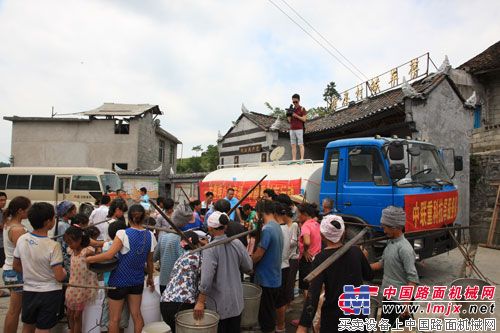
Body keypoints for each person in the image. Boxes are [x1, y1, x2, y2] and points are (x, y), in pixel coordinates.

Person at [296, 215, 374, 332]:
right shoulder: (356, 251)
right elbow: (369, 275)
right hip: (358, 314)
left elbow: (313, 295)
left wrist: (303, 326)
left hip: (334, 318)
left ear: (322, 236)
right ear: (343, 233)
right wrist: (363, 258)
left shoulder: (320, 258)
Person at [86, 204, 157, 333]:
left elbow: (109, 254)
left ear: (128, 218)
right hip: (137, 281)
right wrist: (150, 278)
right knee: (136, 315)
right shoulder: (150, 236)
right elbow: (150, 261)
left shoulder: (122, 233)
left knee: (114, 319)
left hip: (119, 281)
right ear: (143, 219)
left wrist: (89, 259)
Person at [194, 211, 253, 333]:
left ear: (210, 228)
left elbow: (206, 280)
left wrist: (200, 301)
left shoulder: (210, 249)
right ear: (225, 226)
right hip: (236, 302)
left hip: (218, 305)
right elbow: (248, 266)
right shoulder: (237, 243)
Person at [13, 202, 67, 333]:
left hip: (28, 290)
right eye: (53, 218)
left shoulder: (22, 239)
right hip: (49, 293)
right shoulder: (53, 246)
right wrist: (64, 272)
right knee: (43, 328)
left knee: (27, 326)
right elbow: (59, 276)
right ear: (48, 222)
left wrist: (31, 273)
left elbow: (16, 265)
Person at [370, 206, 419, 328]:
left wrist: (406, 303)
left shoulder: (405, 249)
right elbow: (383, 263)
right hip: (389, 295)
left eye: (385, 227)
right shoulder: (390, 242)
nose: (383, 230)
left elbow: (413, 279)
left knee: (398, 330)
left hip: (400, 300)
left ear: (395, 227)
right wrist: (364, 266)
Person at [160, 231, 204, 333]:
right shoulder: (198, 258)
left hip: (165, 302)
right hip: (182, 304)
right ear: (197, 243)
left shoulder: (180, 258)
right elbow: (203, 283)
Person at [252, 200, 283, 333]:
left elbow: (259, 254)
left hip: (266, 278)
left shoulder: (268, 229)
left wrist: (247, 262)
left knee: (266, 315)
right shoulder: (277, 226)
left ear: (261, 212)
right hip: (274, 276)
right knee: (269, 311)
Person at [2, 196, 31, 333]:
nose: (29, 212)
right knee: (15, 310)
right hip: (16, 271)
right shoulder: (18, 229)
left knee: (13, 310)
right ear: (20, 211)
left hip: (8, 270)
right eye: (28, 209)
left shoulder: (8, 223)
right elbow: (23, 254)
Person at [63, 225, 99, 333]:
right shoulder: (71, 250)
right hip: (72, 287)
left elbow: (97, 252)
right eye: (68, 242)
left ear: (79, 239)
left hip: (82, 289)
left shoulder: (87, 251)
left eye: (71, 242)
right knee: (70, 314)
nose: (70, 245)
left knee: (77, 316)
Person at [154, 203, 193, 294]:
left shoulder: (163, 237)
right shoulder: (181, 239)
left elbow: (154, 257)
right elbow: (185, 260)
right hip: (178, 282)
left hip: (163, 280)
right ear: (184, 223)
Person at [100, 220, 130, 333]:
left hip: (108, 283)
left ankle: (107, 328)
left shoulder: (106, 245)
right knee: (121, 312)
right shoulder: (126, 246)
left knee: (110, 312)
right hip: (123, 282)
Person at [273, 196, 293, 333]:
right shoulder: (286, 227)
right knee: (281, 299)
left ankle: (280, 326)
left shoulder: (278, 229)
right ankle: (280, 325)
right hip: (285, 265)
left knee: (278, 300)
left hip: (278, 267)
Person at [297, 203, 321, 299]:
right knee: (314, 285)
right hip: (317, 257)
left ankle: (308, 309)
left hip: (307, 259)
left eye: (299, 213)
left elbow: (307, 242)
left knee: (306, 287)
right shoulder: (316, 224)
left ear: (305, 214)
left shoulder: (306, 226)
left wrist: (305, 251)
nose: (298, 216)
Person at [288, 93, 307, 160]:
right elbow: (289, 121)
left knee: (300, 144)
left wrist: (296, 116)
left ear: (299, 100)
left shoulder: (302, 109)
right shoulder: (291, 109)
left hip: (299, 128)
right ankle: (294, 159)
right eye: (293, 102)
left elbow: (304, 119)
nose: (294, 103)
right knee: (293, 145)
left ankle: (302, 159)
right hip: (292, 129)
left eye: (296, 101)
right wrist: (288, 114)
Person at [0, 192, 9, 298]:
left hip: (2, 244)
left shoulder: (3, 212)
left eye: (4, 200)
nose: (3, 202)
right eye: (1, 200)